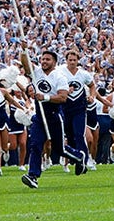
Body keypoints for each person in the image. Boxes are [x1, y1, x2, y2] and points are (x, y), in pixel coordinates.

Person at [20, 48, 78, 190]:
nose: (44, 62)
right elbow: (26, 64)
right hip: (40, 115)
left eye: (47, 59)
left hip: (54, 114)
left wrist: (45, 97)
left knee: (59, 148)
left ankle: (79, 156)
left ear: (54, 62)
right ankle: (33, 175)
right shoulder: (36, 73)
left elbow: (63, 97)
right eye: (42, 59)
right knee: (35, 144)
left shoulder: (59, 77)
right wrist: (23, 50)